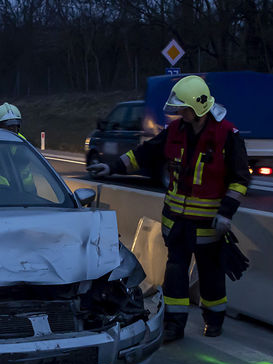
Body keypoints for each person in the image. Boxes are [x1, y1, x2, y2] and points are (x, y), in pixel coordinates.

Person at [88, 75, 250, 341]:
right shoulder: (175, 131)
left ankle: (214, 321)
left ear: (198, 107)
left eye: (183, 109)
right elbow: (144, 154)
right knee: (175, 275)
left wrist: (226, 213)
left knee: (211, 275)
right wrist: (112, 166)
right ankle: (174, 326)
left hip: (208, 225)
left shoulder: (227, 136)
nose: (179, 114)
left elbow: (240, 180)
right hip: (176, 222)